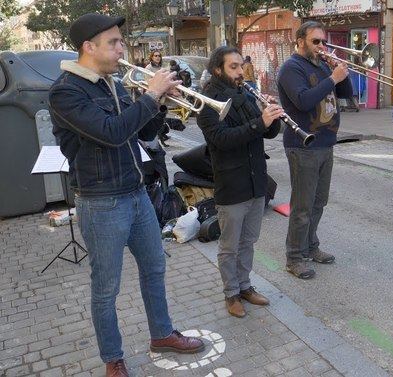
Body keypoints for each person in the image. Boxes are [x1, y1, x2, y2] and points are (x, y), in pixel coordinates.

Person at [49, 13, 204, 377]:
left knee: (155, 267)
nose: (122, 48)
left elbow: (142, 131)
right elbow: (111, 133)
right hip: (101, 201)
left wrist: (162, 100)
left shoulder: (113, 84)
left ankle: (162, 334)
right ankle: (112, 358)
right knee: (106, 287)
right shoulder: (66, 91)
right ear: (89, 47)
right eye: (114, 42)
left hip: (136, 195)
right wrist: (150, 94)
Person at [197, 46, 282, 318]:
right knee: (229, 246)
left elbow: (265, 134)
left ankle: (245, 286)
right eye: (233, 67)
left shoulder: (244, 93)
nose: (239, 71)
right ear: (218, 70)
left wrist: (271, 116)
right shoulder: (207, 101)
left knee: (248, 241)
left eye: (241, 66)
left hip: (256, 180)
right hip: (232, 184)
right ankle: (231, 293)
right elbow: (222, 139)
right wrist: (260, 122)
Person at [277, 21, 353, 279]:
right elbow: (303, 100)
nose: (322, 46)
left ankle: (311, 246)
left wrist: (340, 73)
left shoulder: (321, 65)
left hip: (325, 143)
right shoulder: (291, 68)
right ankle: (294, 257)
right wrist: (332, 78)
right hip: (303, 146)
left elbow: (345, 94)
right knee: (302, 206)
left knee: (319, 201)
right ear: (300, 41)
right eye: (316, 42)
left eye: (323, 41)